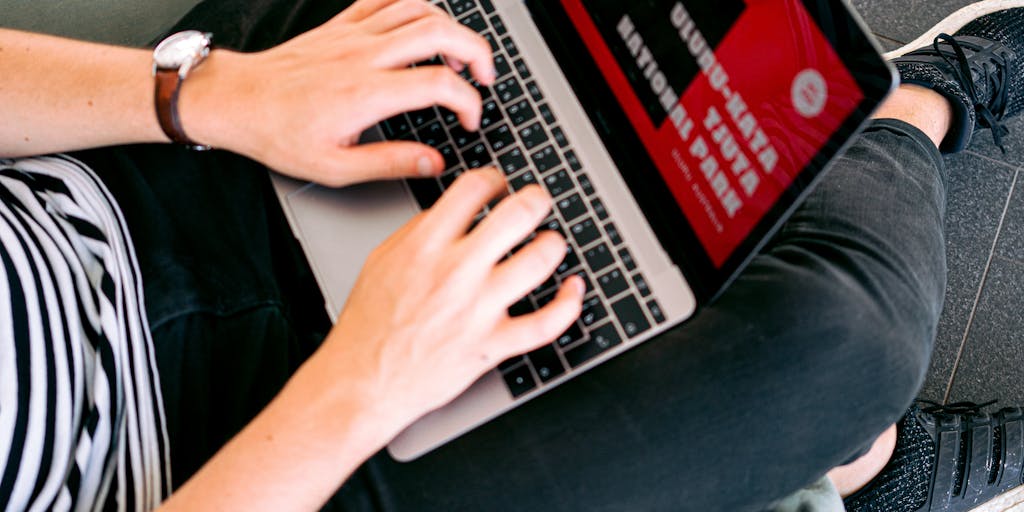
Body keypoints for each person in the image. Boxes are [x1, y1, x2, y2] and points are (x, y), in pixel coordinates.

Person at [0, 0, 1022, 510]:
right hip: (248, 458)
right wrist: (358, 387)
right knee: (840, 335)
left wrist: (204, 93)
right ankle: (903, 115)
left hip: (141, 170)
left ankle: (833, 445)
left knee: (505, 45)